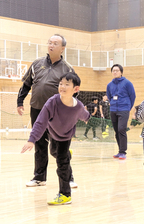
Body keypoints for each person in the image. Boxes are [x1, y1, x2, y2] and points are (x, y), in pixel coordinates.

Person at [17, 34, 78, 188]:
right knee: (39, 143)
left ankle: (68, 178)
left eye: (55, 43)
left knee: (59, 147)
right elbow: (26, 84)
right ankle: (39, 177)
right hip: (37, 109)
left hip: (58, 113)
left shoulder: (67, 68)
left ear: (62, 48)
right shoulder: (37, 64)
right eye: (49, 42)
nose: (51, 45)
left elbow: (74, 92)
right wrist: (20, 101)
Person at [21, 72, 90, 205]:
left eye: (67, 84)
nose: (62, 86)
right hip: (52, 132)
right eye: (60, 84)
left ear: (76, 89)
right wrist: (32, 140)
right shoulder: (52, 102)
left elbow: (86, 116)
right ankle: (67, 155)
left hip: (66, 136)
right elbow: (40, 122)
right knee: (54, 152)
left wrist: (89, 120)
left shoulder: (78, 107)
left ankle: (65, 195)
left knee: (61, 163)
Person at [107, 64, 136, 160]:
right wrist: (113, 104)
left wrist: (128, 107)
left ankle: (123, 152)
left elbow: (132, 96)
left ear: (121, 72)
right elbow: (109, 96)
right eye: (113, 70)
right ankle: (120, 151)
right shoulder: (109, 85)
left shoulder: (127, 83)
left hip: (124, 109)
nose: (115, 72)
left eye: (117, 70)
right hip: (113, 110)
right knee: (116, 131)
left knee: (121, 129)